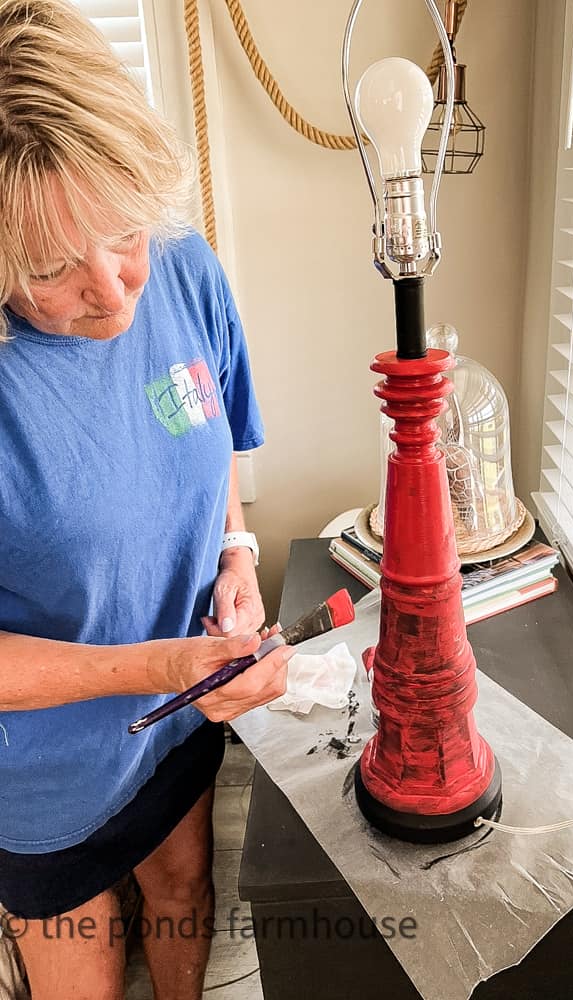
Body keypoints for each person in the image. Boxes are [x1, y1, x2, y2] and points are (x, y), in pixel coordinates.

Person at [0, 2, 292, 997]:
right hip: (38, 777)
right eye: (50, 270)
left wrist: (237, 559)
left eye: (123, 230)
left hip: (179, 722)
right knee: (82, 967)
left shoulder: (187, 270)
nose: (117, 291)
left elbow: (213, 460)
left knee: (183, 885)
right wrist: (162, 661)